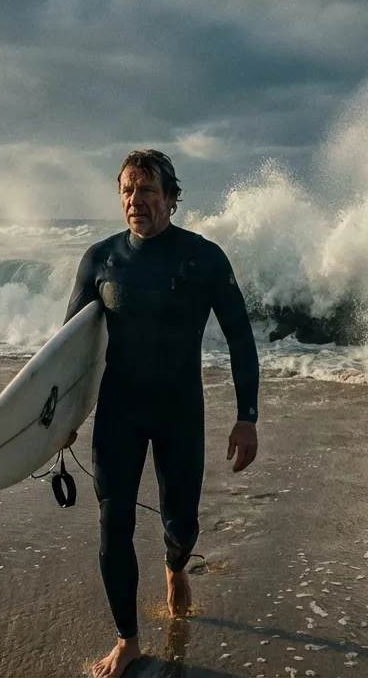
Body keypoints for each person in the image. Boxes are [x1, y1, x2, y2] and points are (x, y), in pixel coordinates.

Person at [65, 149, 260, 678]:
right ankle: (126, 640)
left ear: (172, 199)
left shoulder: (204, 259)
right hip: (119, 414)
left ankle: (175, 565)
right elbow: (71, 351)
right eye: (128, 191)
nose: (136, 200)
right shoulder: (101, 260)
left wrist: (247, 416)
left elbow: (241, 338)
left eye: (148, 190)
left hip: (179, 413)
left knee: (182, 524)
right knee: (114, 523)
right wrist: (62, 420)